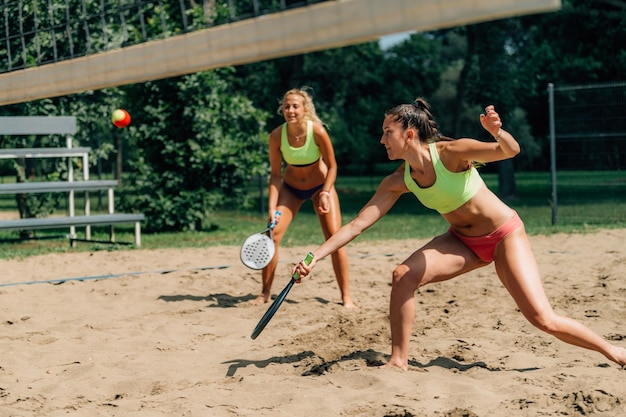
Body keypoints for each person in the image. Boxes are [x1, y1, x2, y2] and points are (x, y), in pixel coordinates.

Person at [293, 98, 626, 370]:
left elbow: (509, 151)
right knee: (403, 275)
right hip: (462, 242)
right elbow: (357, 224)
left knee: (542, 319)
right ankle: (398, 361)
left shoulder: (451, 154)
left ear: (409, 134)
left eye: (387, 132)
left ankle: (614, 351)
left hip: (504, 236)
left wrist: (498, 132)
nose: (381, 140)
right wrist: (314, 257)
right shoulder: (399, 179)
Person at [251, 87, 355, 308]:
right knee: (273, 234)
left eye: (295, 106)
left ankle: (346, 297)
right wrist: (272, 207)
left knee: (335, 238)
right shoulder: (277, 135)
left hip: (321, 188)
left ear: (304, 109)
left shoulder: (317, 131)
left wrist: (326, 192)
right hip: (291, 188)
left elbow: (333, 166)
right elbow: (275, 175)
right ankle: (265, 293)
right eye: (287, 106)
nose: (290, 110)